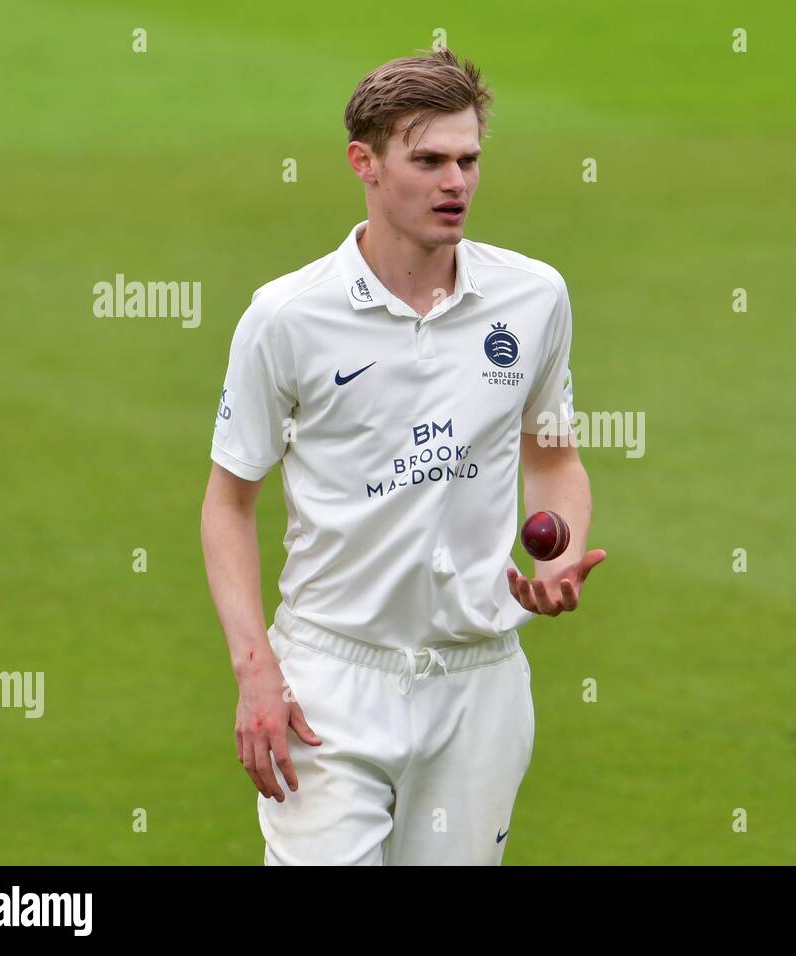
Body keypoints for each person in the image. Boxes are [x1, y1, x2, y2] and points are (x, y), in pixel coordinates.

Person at [199, 48, 605, 865]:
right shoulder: (287, 317)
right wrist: (255, 670)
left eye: (468, 160)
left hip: (479, 680)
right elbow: (228, 503)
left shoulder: (533, 298)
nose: (455, 181)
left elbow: (554, 455)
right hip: (329, 683)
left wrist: (558, 545)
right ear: (366, 163)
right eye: (428, 160)